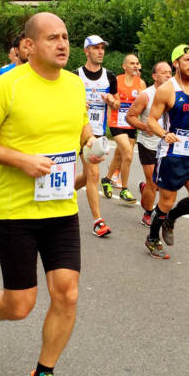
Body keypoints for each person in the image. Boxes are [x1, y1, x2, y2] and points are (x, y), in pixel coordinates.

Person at [0, 11, 103, 376]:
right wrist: (20, 160)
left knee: (67, 294)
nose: (62, 44)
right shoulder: (8, 85)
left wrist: (91, 144)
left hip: (60, 208)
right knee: (21, 304)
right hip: (16, 209)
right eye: (52, 38)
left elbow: (80, 129)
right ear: (31, 45)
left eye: (66, 37)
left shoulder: (75, 86)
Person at [144, 45, 189, 259]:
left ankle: (171, 219)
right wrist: (163, 134)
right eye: (186, 60)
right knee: (166, 201)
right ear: (176, 63)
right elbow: (151, 119)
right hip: (171, 155)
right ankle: (152, 238)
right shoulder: (167, 90)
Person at [126, 61, 171, 226]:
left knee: (161, 184)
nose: (168, 75)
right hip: (148, 144)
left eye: (170, 72)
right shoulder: (146, 95)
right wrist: (145, 126)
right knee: (154, 183)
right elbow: (129, 117)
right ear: (154, 76)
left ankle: (145, 188)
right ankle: (148, 212)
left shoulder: (174, 94)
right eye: (164, 72)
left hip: (167, 145)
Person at [77, 34, 114, 237]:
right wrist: (78, 104)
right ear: (86, 51)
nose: (100, 51)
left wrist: (111, 100)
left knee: (89, 174)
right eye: (96, 48)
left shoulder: (109, 76)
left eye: (102, 48)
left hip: (97, 133)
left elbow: (117, 104)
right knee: (93, 174)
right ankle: (98, 221)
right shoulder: (75, 76)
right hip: (77, 132)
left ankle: (63, 194)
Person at [103, 53, 146, 204]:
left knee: (119, 156)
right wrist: (112, 102)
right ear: (124, 66)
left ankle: (107, 179)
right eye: (132, 63)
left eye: (137, 63)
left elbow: (143, 106)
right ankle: (124, 189)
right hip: (116, 122)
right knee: (128, 154)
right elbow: (109, 98)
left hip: (131, 124)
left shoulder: (141, 83)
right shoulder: (116, 81)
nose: (135, 65)